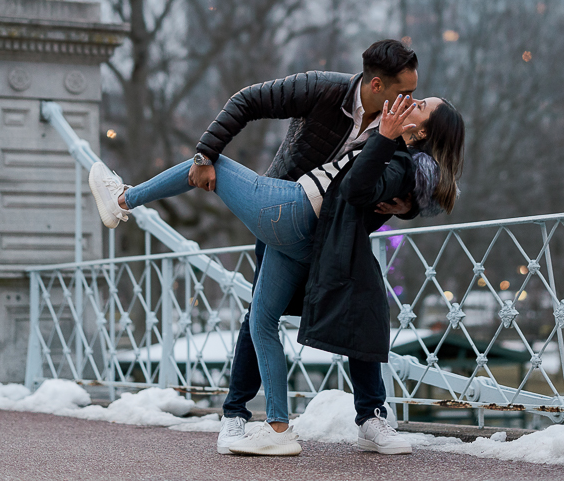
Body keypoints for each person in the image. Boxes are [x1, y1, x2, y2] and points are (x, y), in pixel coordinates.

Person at [88, 93, 464, 457]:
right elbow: (384, 188)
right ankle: (279, 428)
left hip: (291, 209)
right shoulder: (396, 151)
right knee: (262, 321)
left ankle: (122, 199)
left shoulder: (397, 155)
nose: (408, 102)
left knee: (209, 164)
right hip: (305, 237)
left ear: (422, 133)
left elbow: (358, 186)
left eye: (419, 106)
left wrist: (385, 141)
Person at [181, 41, 420, 454]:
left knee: (358, 307)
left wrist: (410, 207)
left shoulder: (396, 125)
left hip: (338, 233)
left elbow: (407, 180)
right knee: (260, 314)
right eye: (405, 92)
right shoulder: (322, 89)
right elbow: (247, 100)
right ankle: (236, 415)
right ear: (377, 85)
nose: (410, 101)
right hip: (283, 217)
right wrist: (206, 153)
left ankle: (372, 419)